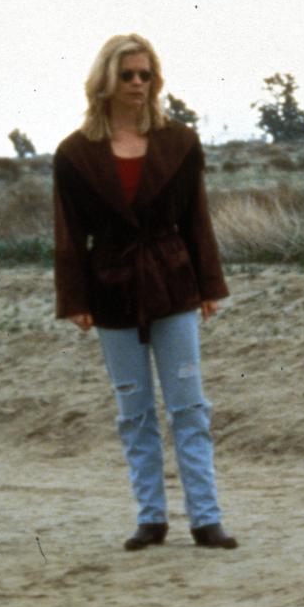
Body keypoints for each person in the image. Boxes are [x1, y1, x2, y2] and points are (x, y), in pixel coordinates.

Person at [52, 33, 236, 552]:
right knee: (133, 411)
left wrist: (208, 286)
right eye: (127, 75)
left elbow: (197, 218)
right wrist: (75, 300)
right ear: (106, 81)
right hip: (110, 290)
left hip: (174, 283)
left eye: (145, 74)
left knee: (189, 406)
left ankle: (206, 519)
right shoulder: (74, 153)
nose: (137, 83)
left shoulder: (180, 142)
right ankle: (151, 518)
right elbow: (68, 233)